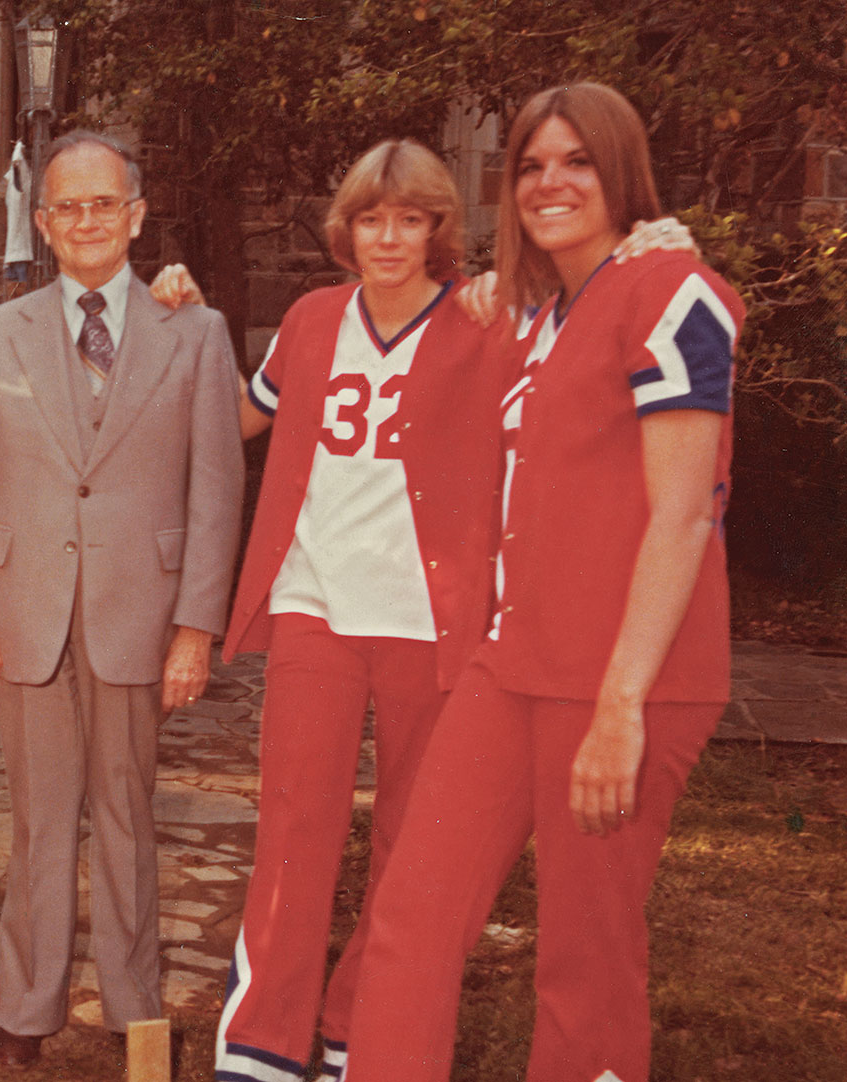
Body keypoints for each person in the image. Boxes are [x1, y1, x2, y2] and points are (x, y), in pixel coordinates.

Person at [341, 82, 743, 1082]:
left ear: (622, 173)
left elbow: (684, 511)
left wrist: (618, 707)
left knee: (582, 955)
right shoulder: (531, 317)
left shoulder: (671, 291)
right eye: (530, 164)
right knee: (410, 915)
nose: (550, 181)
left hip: (620, 680)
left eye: (576, 160)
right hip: (513, 665)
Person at [208, 139, 515, 1082]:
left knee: (411, 841)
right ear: (347, 229)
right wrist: (169, 324)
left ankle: (362, 1027)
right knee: (295, 828)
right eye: (373, 219)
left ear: (437, 228)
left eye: (411, 219)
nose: (389, 238)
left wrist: (630, 258)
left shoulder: (481, 320)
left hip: (430, 618)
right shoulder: (310, 320)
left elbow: (584, 354)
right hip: (317, 607)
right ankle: (263, 1040)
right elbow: (229, 414)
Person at [0, 129, 246, 1067]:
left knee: (126, 815)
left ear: (136, 215)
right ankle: (26, 1008)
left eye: (103, 203)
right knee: (37, 820)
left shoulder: (193, 332)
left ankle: (133, 1008)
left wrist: (194, 627)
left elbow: (215, 490)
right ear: (42, 221)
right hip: (26, 607)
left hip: (138, 618)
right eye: (67, 205)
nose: (86, 220)